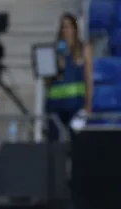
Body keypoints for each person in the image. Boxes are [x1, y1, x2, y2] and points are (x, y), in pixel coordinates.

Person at [45, 12, 93, 141]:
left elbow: (88, 78)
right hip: (55, 105)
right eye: (63, 27)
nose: (66, 30)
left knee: (77, 143)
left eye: (69, 26)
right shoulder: (54, 50)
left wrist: (88, 105)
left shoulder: (83, 49)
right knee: (54, 143)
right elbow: (47, 82)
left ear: (75, 29)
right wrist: (57, 66)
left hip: (76, 105)